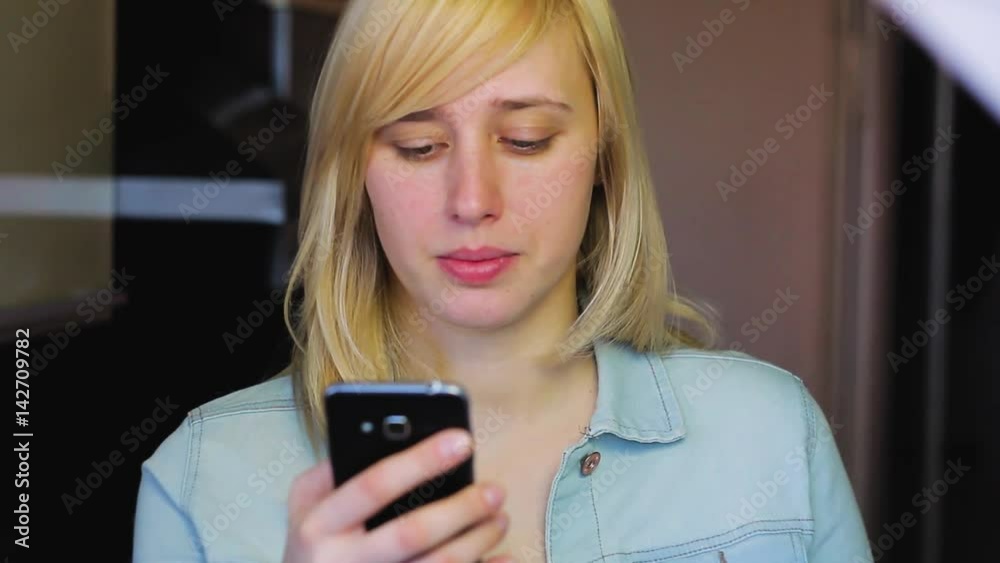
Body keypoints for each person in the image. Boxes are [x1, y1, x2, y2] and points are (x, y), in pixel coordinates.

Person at [131, 0, 873, 561]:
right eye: (418, 146)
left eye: (526, 139)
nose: (473, 198)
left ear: (603, 154)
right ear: (352, 173)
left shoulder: (769, 433)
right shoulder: (202, 480)